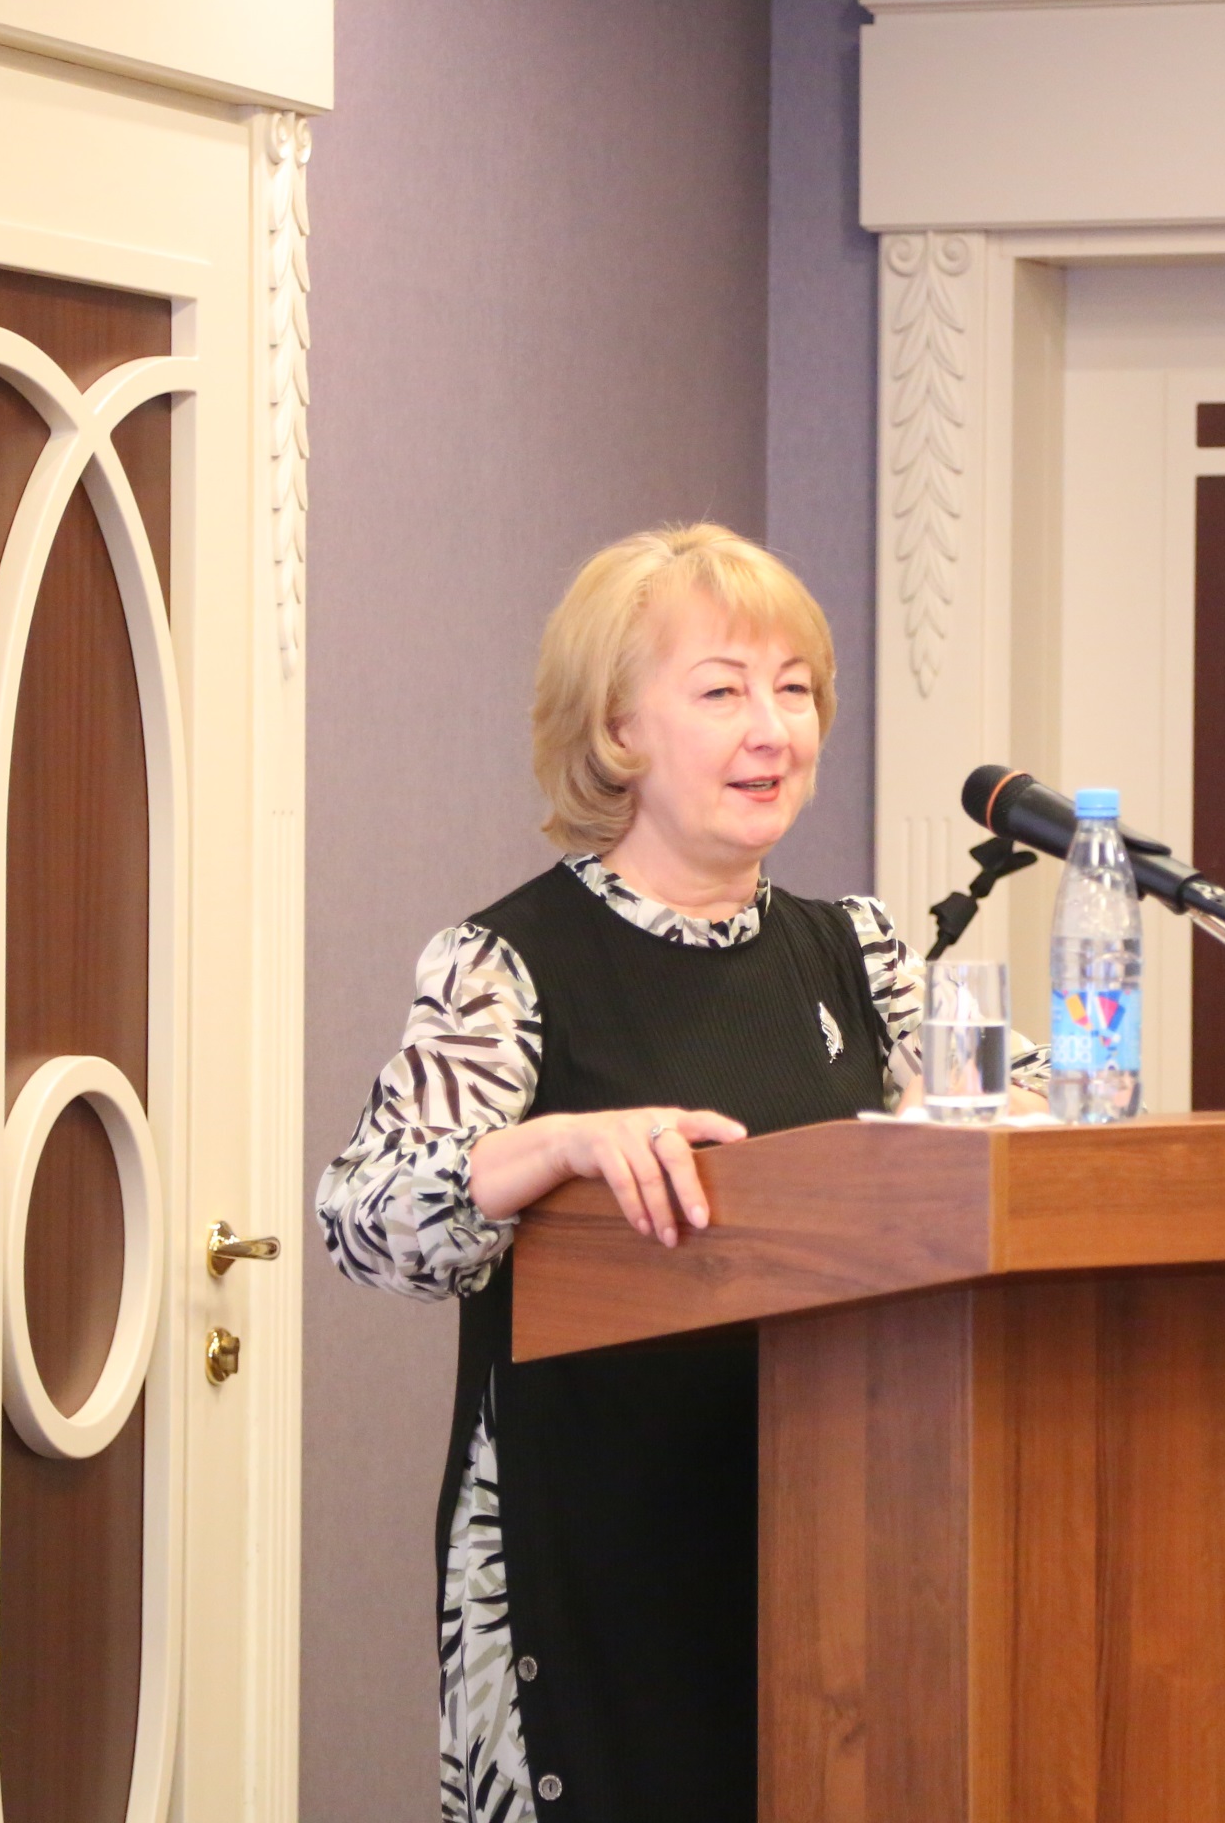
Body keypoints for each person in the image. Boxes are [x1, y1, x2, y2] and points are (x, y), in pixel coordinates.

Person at [317, 524, 1043, 1823]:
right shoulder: (508, 962)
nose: (772, 729)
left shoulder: (864, 954)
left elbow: (1030, 1131)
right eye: (721, 691)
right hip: (586, 1563)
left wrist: (989, 1138)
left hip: (843, 1540)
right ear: (617, 731)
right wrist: (555, 1145)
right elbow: (365, 1221)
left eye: (794, 690)